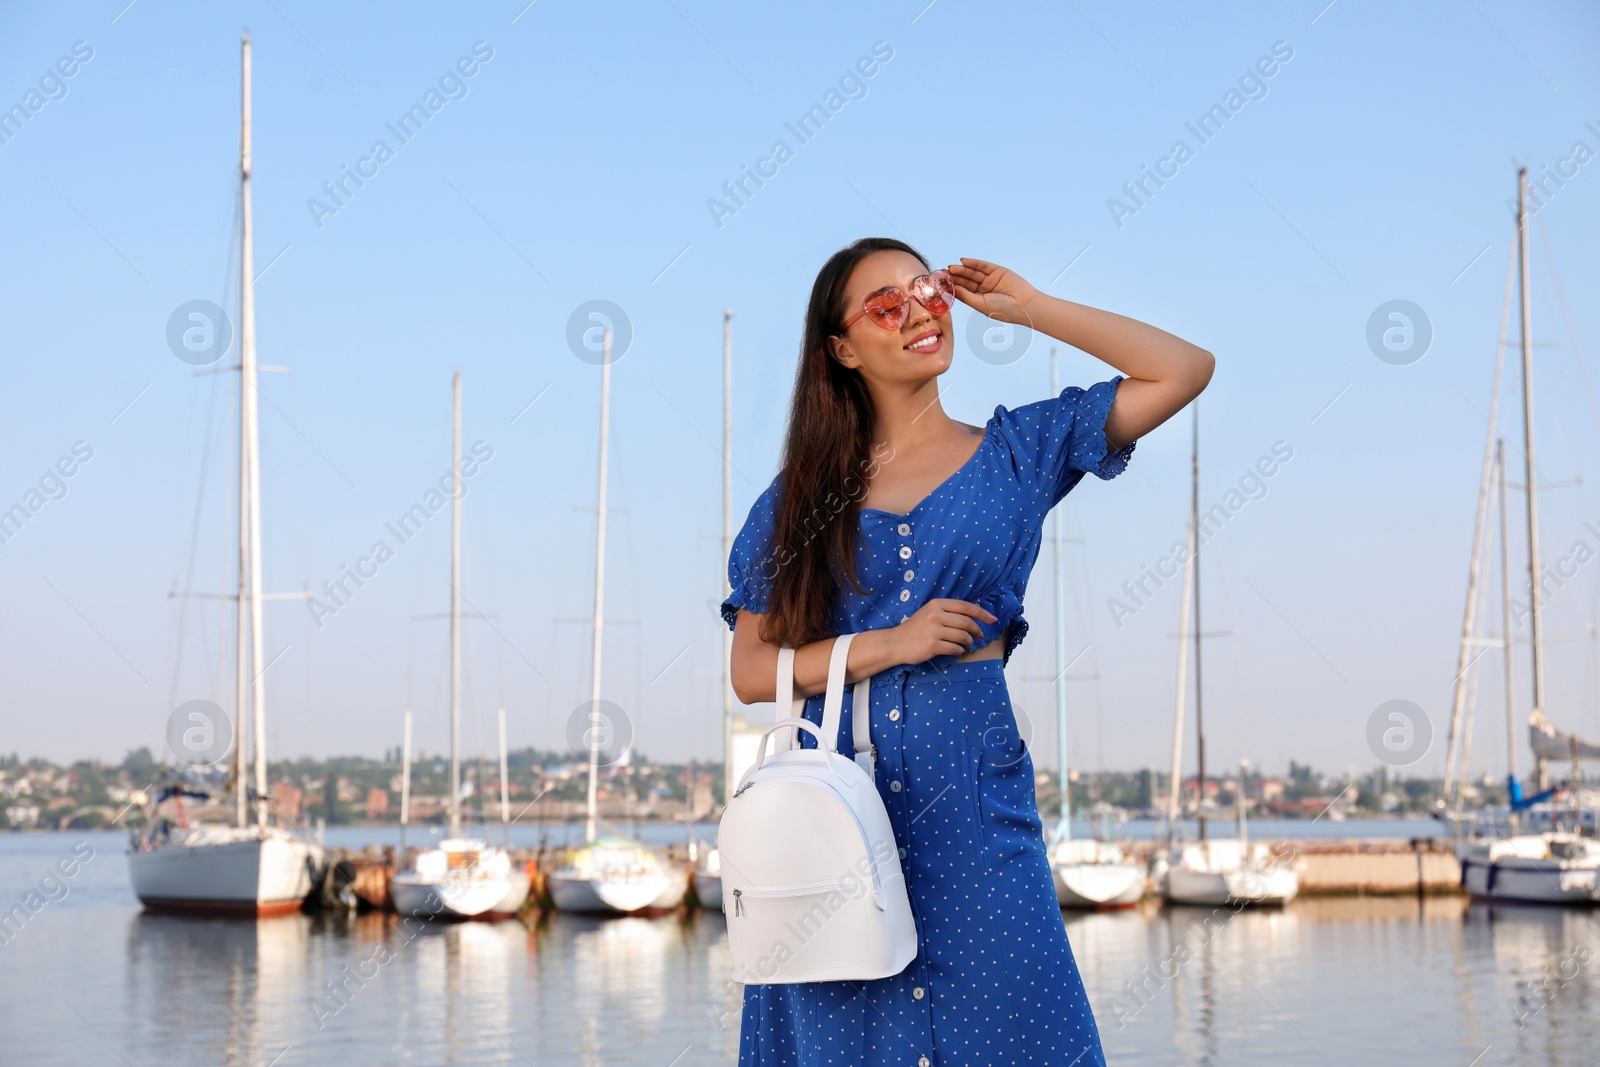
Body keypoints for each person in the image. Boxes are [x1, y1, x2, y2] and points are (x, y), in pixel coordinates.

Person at [720, 236, 1212, 1066]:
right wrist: (891, 642)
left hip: (979, 816)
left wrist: (1032, 309)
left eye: (926, 289)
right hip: (838, 820)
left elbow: (1183, 368)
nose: (917, 310)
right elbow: (750, 671)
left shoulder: (1018, 452)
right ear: (842, 348)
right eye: (885, 304)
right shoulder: (800, 500)